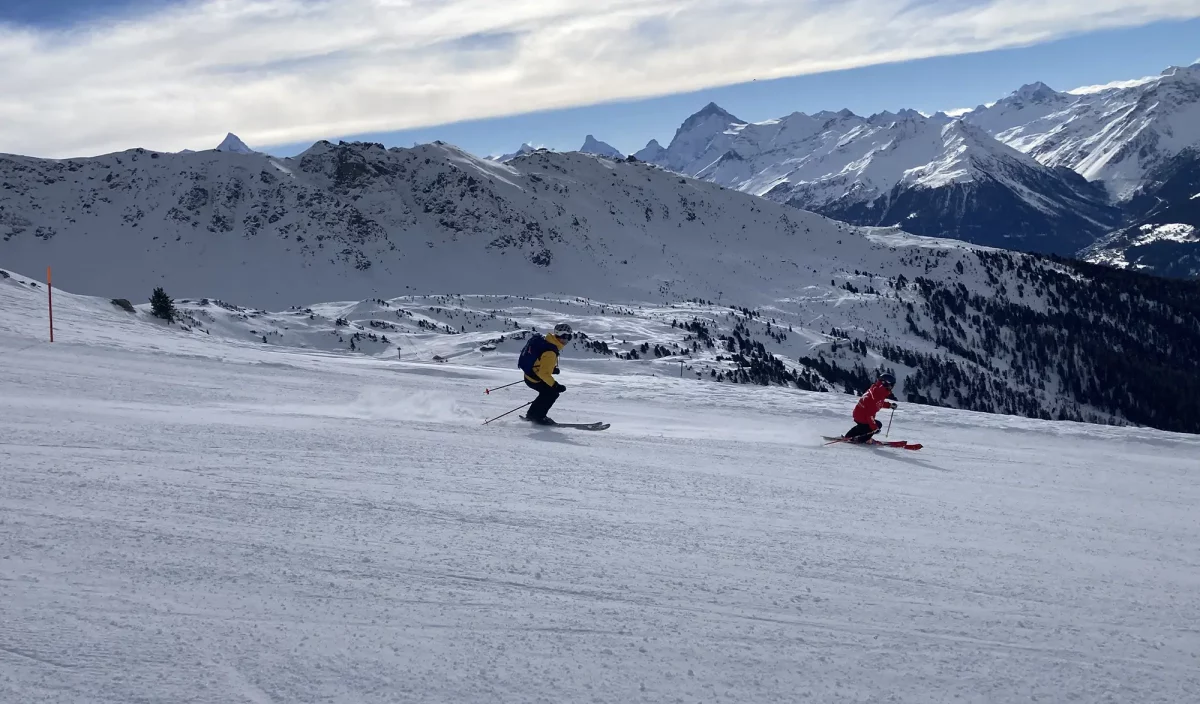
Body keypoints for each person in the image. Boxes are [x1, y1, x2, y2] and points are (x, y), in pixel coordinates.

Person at [520, 323, 573, 425]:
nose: (567, 340)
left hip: (530, 374)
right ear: (558, 336)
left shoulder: (548, 341)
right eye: (565, 337)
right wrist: (556, 385)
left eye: (569, 337)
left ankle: (532, 415)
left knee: (547, 393)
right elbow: (543, 374)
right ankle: (539, 417)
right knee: (552, 393)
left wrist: (551, 369)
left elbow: (540, 361)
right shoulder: (550, 352)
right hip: (534, 378)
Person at [844, 372, 898, 443]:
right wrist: (875, 428)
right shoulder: (876, 396)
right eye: (891, 385)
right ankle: (861, 439)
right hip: (863, 416)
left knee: (863, 427)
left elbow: (878, 403)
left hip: (858, 414)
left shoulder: (876, 390)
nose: (892, 388)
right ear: (885, 384)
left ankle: (849, 436)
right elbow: (870, 415)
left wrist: (889, 405)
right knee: (876, 425)